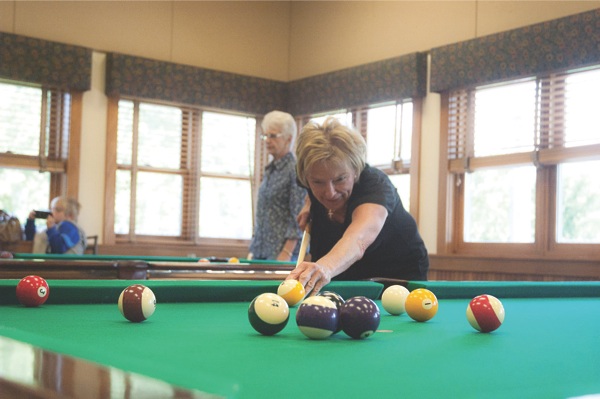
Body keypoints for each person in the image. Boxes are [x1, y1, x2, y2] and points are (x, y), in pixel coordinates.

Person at [288, 117, 429, 295]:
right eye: (318, 182)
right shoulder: (308, 178)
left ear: (355, 171)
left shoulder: (375, 185)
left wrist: (325, 267)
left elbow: (358, 240)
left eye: (340, 179)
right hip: (341, 266)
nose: (330, 192)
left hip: (396, 275)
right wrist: (308, 204)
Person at [248, 111, 307, 261]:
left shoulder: (295, 170)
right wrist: (254, 250)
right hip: (260, 252)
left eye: (273, 136)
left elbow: (299, 216)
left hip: (283, 255)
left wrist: (286, 253)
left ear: (289, 138)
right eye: (265, 135)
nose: (267, 140)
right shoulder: (270, 170)